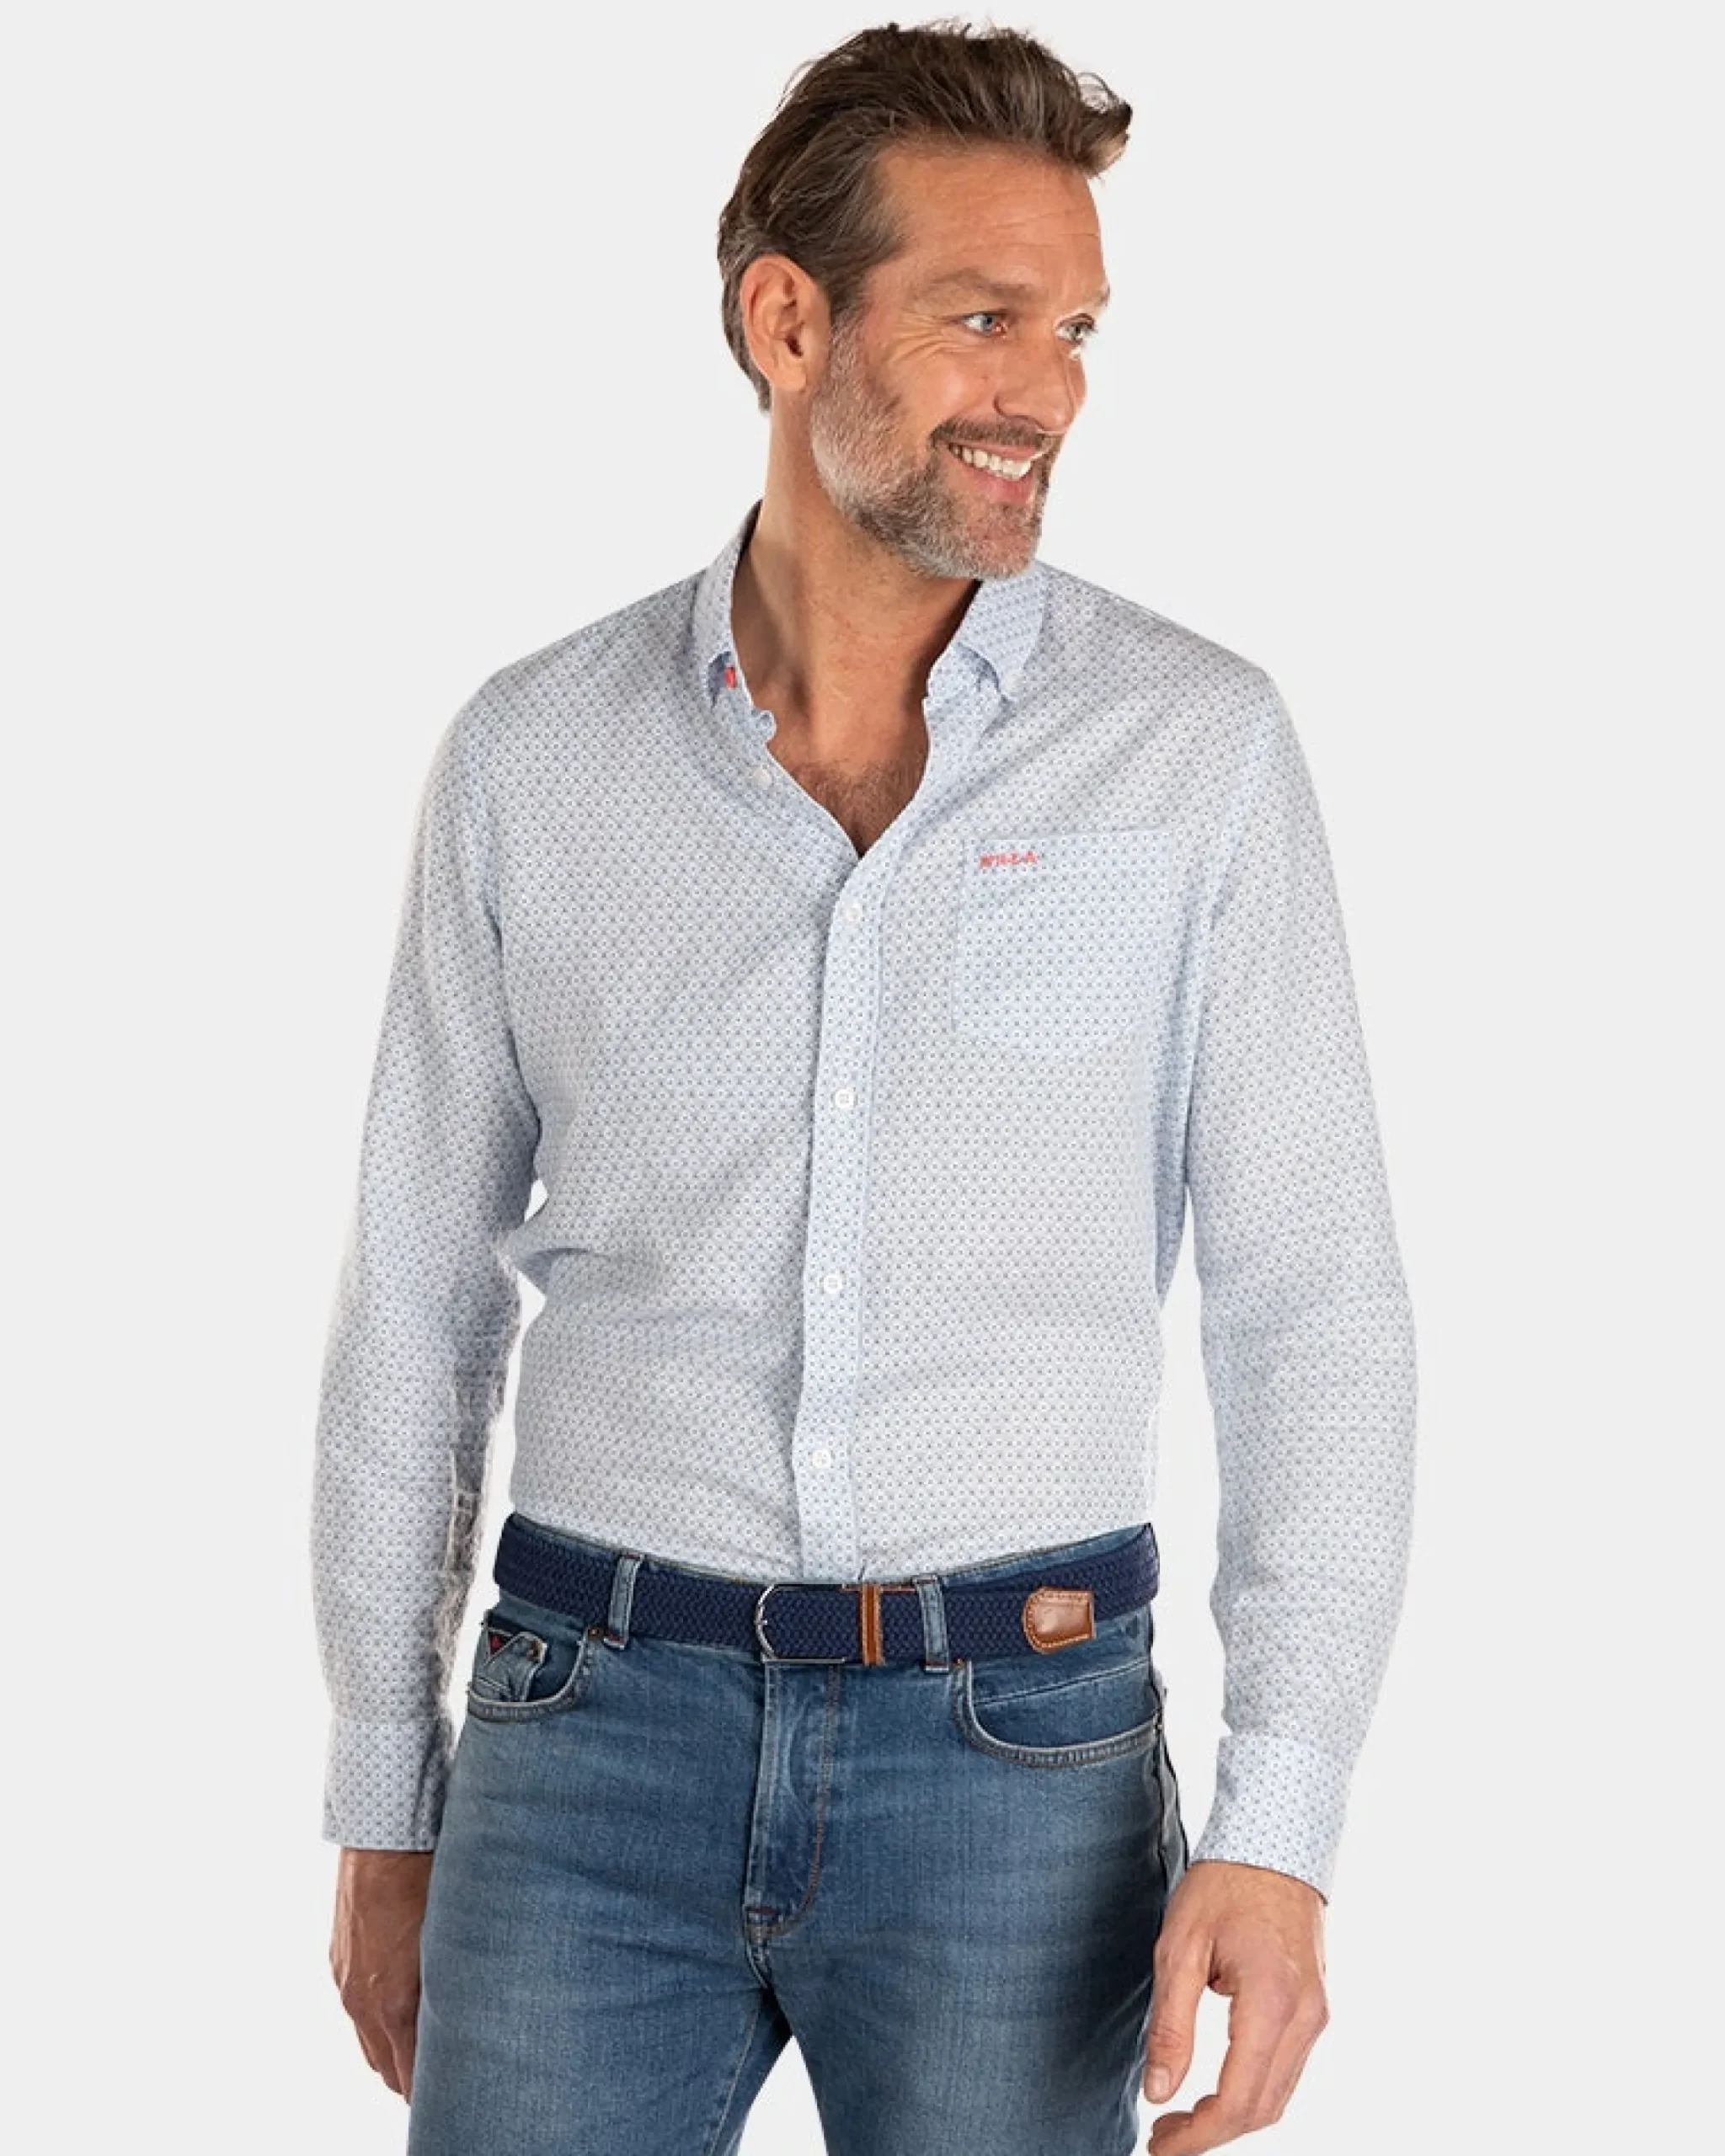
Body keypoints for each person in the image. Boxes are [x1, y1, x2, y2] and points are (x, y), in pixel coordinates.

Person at [312, 21, 1417, 2156]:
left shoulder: (1193, 752)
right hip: (583, 1727)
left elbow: (1315, 1306)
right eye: (983, 317)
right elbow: (415, 1301)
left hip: (1023, 1754)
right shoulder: (534, 756)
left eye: (1074, 330)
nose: (1048, 392)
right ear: (787, 319)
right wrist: (384, 1789)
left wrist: (1278, 1822)